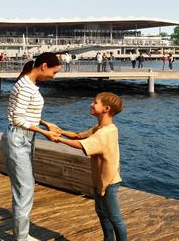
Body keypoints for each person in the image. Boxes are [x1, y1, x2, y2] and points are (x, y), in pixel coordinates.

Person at [1, 52, 63, 241]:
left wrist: (45, 124)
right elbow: (18, 119)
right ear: (44, 66)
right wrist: (46, 133)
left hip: (24, 138)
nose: (54, 76)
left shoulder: (28, 84)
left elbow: (25, 112)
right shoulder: (26, 86)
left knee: (23, 189)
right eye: (54, 72)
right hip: (19, 139)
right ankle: (21, 238)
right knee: (25, 190)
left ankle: (21, 235)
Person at [53, 92, 127, 240]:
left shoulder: (106, 132)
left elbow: (80, 145)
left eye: (95, 102)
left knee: (115, 218)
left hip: (109, 183)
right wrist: (60, 132)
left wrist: (59, 140)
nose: (91, 104)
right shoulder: (99, 128)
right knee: (102, 214)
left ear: (106, 109)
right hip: (99, 181)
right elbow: (78, 136)